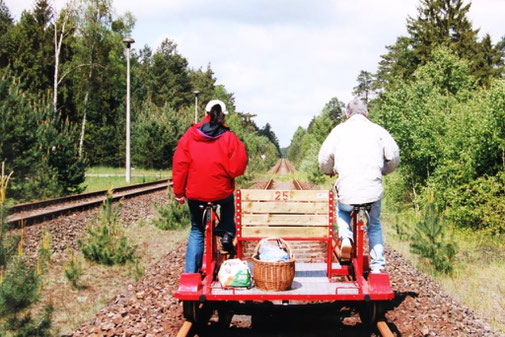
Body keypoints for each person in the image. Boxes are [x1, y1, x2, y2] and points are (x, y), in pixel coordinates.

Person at [318, 98, 399, 273]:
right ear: (366, 113)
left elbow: (323, 159)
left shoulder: (338, 131)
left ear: (347, 115)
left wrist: (329, 170)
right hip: (372, 192)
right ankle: (377, 267)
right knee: (374, 225)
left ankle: (346, 238)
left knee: (342, 211)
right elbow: (393, 156)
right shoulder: (378, 130)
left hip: (347, 191)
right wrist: (384, 170)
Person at [172, 99, 248, 273]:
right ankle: (227, 231)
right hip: (221, 191)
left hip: (195, 193)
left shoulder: (190, 135)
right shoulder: (229, 137)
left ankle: (191, 274)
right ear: (224, 115)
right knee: (228, 201)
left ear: (205, 114)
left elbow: (179, 165)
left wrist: (179, 192)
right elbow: (237, 167)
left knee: (197, 230)